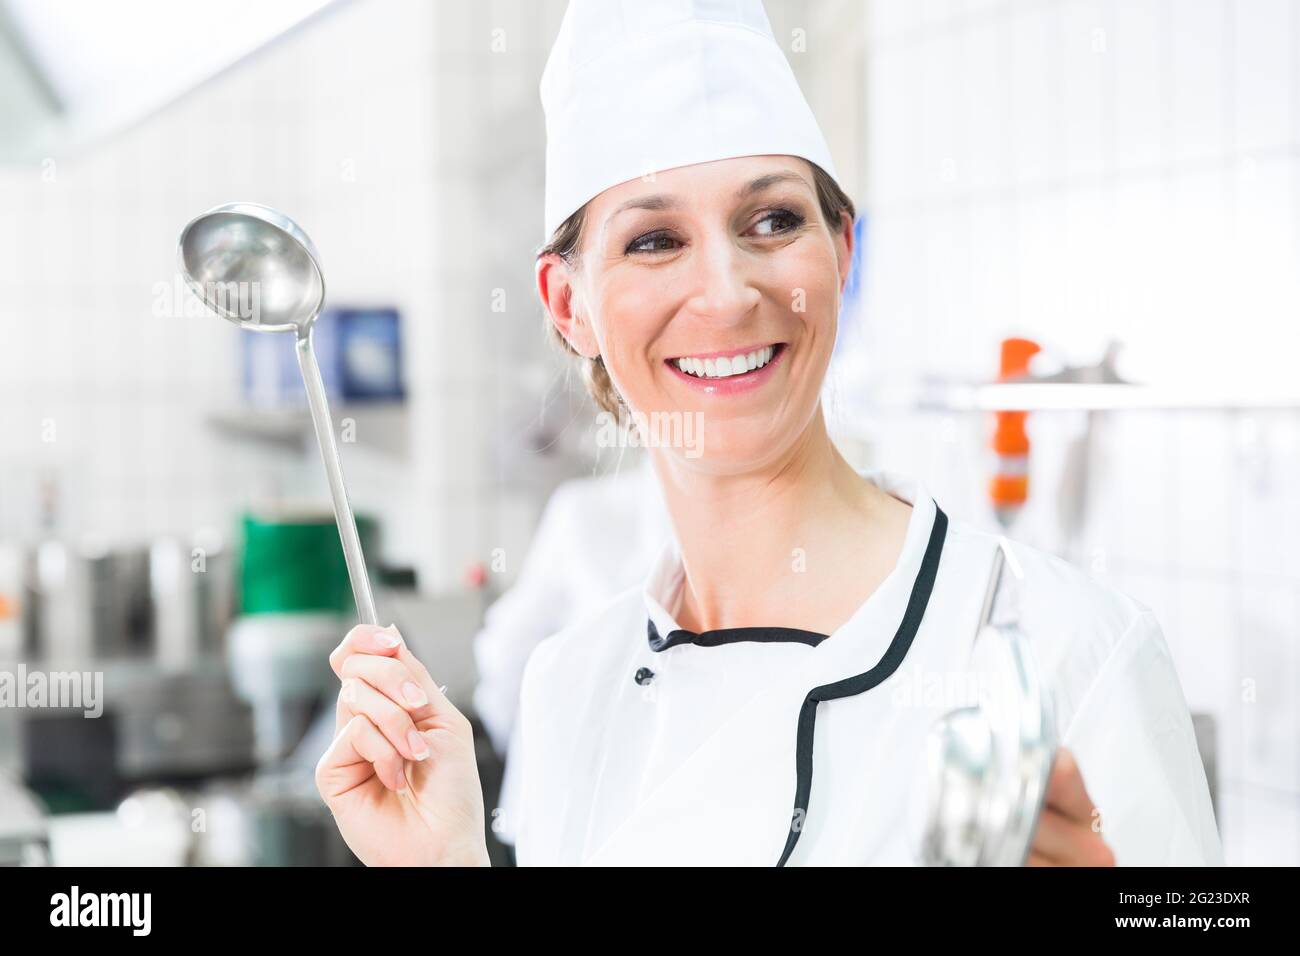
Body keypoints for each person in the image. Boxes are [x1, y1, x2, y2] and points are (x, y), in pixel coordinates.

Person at [314, 0, 1221, 867]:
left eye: (774, 221)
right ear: (567, 304)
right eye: (654, 241)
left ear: (842, 251)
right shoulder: (566, 690)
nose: (727, 293)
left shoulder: (1069, 651)